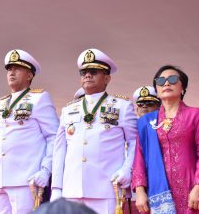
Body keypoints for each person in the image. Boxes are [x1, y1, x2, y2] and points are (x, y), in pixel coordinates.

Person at [51, 48, 138, 213]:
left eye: (93, 71)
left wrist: (128, 169)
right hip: (72, 190)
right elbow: (59, 150)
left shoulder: (122, 106)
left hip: (106, 189)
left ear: (107, 78)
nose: (87, 75)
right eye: (83, 72)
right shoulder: (68, 109)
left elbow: (134, 142)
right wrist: (56, 188)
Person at [0, 49, 59, 214]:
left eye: (17, 68)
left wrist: (45, 170)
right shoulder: (0, 104)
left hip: (26, 180)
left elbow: (54, 138)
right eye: (9, 69)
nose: (11, 72)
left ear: (29, 75)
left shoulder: (39, 99)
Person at [132, 65, 199, 213]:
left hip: (191, 191)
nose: (166, 83)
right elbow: (139, 157)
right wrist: (139, 191)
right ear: (156, 90)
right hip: (157, 193)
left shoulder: (195, 115)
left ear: (183, 88)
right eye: (161, 80)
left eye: (172, 79)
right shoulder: (147, 122)